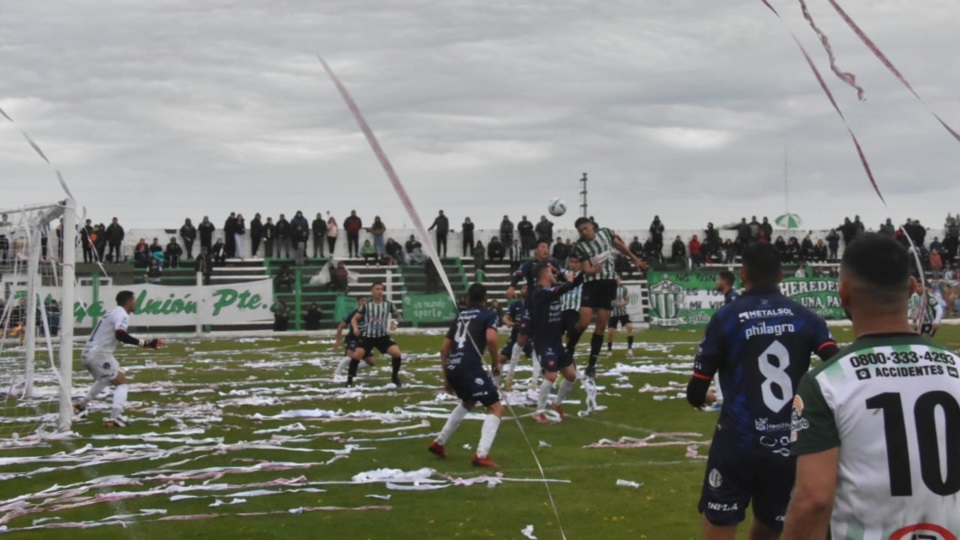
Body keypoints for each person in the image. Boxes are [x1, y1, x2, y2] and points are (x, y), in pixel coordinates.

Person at [784, 233, 960, 539]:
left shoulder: (826, 383)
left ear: (843, 294)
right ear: (911, 288)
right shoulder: (957, 368)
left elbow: (813, 500)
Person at [685, 243, 839, 539]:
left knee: (720, 521)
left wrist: (701, 395)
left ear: (743, 274)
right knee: (772, 521)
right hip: (787, 443)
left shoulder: (726, 317)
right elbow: (837, 364)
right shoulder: (805, 317)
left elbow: (696, 391)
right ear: (782, 275)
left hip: (737, 440)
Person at [428, 283, 503, 468]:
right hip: (470, 367)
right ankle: (481, 455)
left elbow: (443, 348)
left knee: (468, 401)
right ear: (485, 298)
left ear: (468, 298)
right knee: (495, 407)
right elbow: (491, 338)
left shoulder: (460, 316)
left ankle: (439, 442)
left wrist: (446, 376)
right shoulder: (488, 314)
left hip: (453, 365)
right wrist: (495, 362)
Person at [572, 217, 649, 378]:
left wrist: (634, 259)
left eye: (585, 228)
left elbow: (620, 246)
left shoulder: (605, 233)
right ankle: (569, 347)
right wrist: (594, 270)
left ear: (592, 226)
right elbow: (586, 269)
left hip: (608, 284)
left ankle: (591, 365)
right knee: (584, 322)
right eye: (580, 231)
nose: (583, 232)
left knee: (601, 326)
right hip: (591, 284)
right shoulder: (580, 246)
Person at [73, 290, 161, 427]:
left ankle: (80, 407)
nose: (135, 303)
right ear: (128, 301)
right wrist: (145, 343)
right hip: (99, 354)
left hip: (88, 352)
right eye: (134, 300)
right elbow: (120, 334)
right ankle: (115, 417)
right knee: (122, 383)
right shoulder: (122, 314)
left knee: (105, 379)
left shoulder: (112, 312)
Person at [529, 263, 585, 423]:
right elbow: (563, 288)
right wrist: (567, 278)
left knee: (571, 375)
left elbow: (570, 284)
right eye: (550, 271)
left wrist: (585, 272)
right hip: (543, 342)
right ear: (545, 273)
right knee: (551, 375)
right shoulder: (539, 292)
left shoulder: (549, 288)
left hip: (556, 341)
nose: (553, 274)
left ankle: (556, 403)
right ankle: (538, 411)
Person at [347, 282, 404, 387]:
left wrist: (395, 323)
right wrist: (355, 328)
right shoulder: (366, 306)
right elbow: (354, 319)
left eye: (381, 289)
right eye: (377, 289)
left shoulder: (388, 304)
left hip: (382, 336)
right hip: (368, 336)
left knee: (396, 353)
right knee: (357, 355)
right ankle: (349, 379)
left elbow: (399, 316)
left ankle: (394, 377)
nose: (379, 291)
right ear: (372, 291)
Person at [498, 284, 533, 388]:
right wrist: (508, 322)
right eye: (523, 288)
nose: (524, 290)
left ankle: (548, 381)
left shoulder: (534, 305)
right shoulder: (515, 305)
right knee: (501, 358)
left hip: (529, 338)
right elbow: (506, 317)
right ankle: (496, 383)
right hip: (515, 337)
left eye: (527, 288)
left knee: (540, 359)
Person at [333, 297, 374, 378]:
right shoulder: (354, 314)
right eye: (362, 300)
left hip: (364, 340)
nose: (364, 302)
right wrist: (338, 340)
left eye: (366, 300)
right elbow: (341, 326)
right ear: (358, 302)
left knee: (371, 361)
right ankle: (336, 374)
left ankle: (353, 368)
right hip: (353, 339)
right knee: (351, 355)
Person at [605, 277, 634, 356]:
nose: (617, 281)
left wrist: (623, 303)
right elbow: (606, 300)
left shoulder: (624, 289)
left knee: (630, 327)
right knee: (610, 332)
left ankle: (630, 349)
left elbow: (627, 299)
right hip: (613, 313)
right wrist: (613, 303)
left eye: (618, 279)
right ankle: (609, 350)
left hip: (623, 312)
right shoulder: (609, 289)